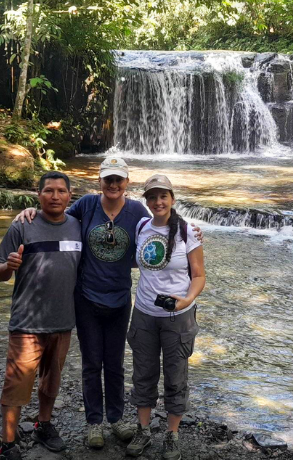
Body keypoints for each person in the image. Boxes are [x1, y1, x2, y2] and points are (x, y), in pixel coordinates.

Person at [15, 157, 202, 449]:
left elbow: (165, 229)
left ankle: (115, 420)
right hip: (87, 297)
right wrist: (32, 211)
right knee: (92, 364)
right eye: (108, 179)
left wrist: (192, 232)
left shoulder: (138, 213)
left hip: (120, 299)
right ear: (99, 181)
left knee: (114, 364)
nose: (113, 184)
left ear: (127, 183)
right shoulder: (86, 206)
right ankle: (94, 423)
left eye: (119, 179)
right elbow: (56, 217)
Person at [0, 171, 82, 460]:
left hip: (63, 321)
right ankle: (8, 443)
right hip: (27, 322)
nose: (55, 196)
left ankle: (43, 424)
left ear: (70, 196)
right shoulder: (22, 225)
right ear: (38, 194)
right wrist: (9, 265)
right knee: (16, 383)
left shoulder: (78, 226)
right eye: (48, 191)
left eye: (60, 191)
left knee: (51, 380)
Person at [126, 174, 205, 460]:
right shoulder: (141, 226)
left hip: (178, 317)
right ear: (146, 201)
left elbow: (198, 275)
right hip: (144, 313)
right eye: (152, 197)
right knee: (143, 374)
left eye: (163, 196)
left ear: (172, 198)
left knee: (176, 376)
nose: (158, 202)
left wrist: (188, 298)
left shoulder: (189, 232)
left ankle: (172, 435)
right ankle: (144, 430)